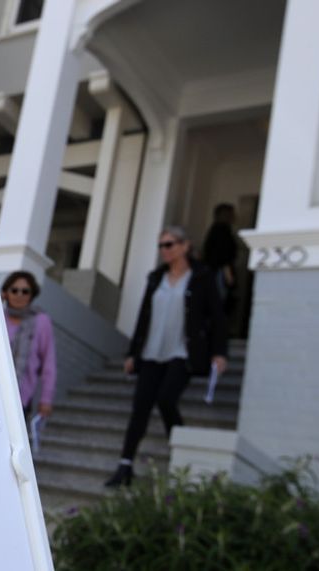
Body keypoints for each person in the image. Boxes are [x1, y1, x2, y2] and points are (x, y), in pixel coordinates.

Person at [104, 226, 228, 487]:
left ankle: (181, 455)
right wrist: (132, 353)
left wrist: (219, 352)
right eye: (161, 246)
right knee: (140, 408)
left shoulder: (202, 277)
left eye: (169, 244)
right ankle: (124, 466)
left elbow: (217, 316)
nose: (164, 250)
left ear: (185, 246)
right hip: (151, 352)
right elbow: (143, 316)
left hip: (182, 352)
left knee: (166, 399)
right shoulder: (155, 278)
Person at [1, 271, 57, 419]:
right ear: (5, 293)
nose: (19, 295)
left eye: (25, 291)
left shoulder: (41, 321)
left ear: (31, 295)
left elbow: (48, 364)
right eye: (14, 290)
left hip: (22, 396)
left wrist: (46, 399)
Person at [203, 203, 238, 312]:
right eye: (230, 214)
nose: (233, 217)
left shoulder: (214, 230)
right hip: (218, 273)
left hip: (212, 272)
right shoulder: (222, 230)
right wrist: (229, 278)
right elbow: (223, 257)